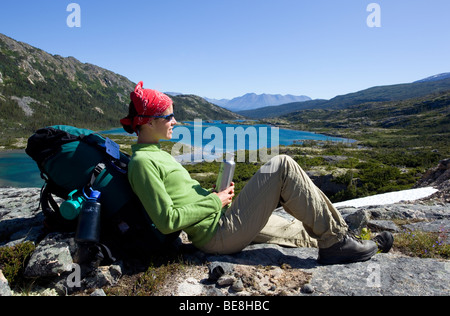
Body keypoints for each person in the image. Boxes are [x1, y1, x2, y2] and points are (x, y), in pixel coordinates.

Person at [120, 82, 392, 265]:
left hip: (222, 220)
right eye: (168, 117)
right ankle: (337, 242)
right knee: (282, 165)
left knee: (293, 230)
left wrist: (219, 194)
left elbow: (182, 199)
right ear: (149, 121)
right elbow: (167, 220)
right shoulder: (143, 164)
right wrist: (216, 200)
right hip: (216, 235)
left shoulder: (156, 153)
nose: (174, 122)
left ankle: (355, 244)